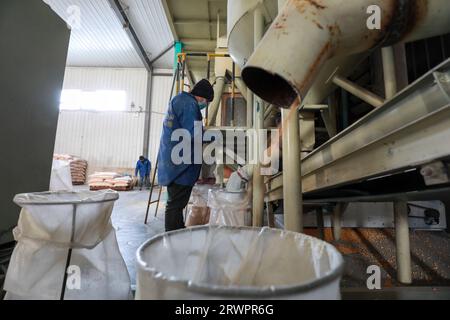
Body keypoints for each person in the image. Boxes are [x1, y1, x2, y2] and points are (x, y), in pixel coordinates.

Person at [157, 79, 214, 232]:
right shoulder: (189, 105)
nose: (205, 105)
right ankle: (173, 237)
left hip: (172, 160)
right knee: (176, 205)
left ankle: (175, 232)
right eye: (206, 102)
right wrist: (215, 136)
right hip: (180, 165)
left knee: (175, 203)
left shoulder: (178, 99)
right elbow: (193, 133)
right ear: (201, 97)